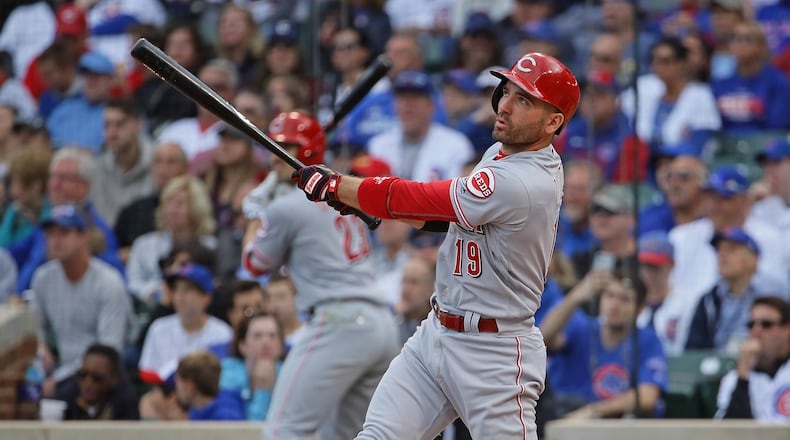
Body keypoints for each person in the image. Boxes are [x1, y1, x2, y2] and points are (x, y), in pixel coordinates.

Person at [291, 52, 580, 439]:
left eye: (524, 100)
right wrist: (358, 200)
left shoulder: (526, 180)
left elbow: (427, 199)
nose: (505, 106)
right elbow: (446, 217)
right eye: (507, 91)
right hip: (435, 334)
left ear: (553, 121)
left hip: (493, 353)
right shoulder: (501, 152)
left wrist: (341, 186)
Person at [242, 111, 400, 439]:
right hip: (380, 327)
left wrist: (257, 216)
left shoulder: (283, 208)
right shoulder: (343, 192)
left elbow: (254, 264)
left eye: (284, 147)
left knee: (284, 431)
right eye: (273, 146)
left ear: (306, 151)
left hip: (338, 321)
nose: (275, 155)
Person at [31, 204, 131, 400]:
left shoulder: (108, 282)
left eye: (64, 233)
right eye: (51, 234)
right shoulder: (43, 278)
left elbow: (109, 350)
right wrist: (40, 346)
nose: (56, 240)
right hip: (60, 370)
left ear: (84, 237)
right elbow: (35, 327)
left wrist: (59, 379)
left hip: (101, 375)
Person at [540, 273, 667, 419]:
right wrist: (574, 298)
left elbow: (647, 397)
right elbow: (542, 340)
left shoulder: (647, 339)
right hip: (563, 418)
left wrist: (593, 411)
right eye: (609, 295)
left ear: (640, 309)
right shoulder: (582, 328)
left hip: (612, 426)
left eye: (624, 299)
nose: (614, 304)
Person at [715, 296, 790, 422]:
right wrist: (743, 378)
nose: (756, 330)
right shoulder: (734, 379)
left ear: (787, 330)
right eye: (751, 324)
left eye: (766, 324)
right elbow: (733, 433)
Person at [219, 312, 285, 420]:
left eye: (272, 336)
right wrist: (263, 392)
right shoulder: (226, 373)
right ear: (242, 345)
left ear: (281, 346)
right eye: (257, 336)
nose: (266, 341)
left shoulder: (290, 374)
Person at [61, 344, 139, 420]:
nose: (87, 383)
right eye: (82, 375)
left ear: (115, 379)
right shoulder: (66, 397)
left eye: (97, 378)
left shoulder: (125, 402)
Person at [174, 350, 245, 421]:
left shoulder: (226, 418)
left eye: (178, 384)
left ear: (190, 386)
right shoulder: (195, 412)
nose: (176, 391)